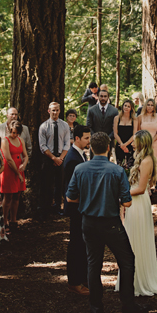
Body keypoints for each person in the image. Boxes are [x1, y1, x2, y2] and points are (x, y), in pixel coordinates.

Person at [66, 133, 147, 313]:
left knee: (93, 264)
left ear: (91, 148)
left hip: (88, 223)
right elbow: (127, 203)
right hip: (110, 223)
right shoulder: (117, 171)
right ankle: (127, 306)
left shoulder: (80, 169)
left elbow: (70, 198)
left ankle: (96, 308)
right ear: (109, 148)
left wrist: (86, 200)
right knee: (127, 261)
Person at [116, 130, 157, 297]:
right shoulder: (140, 158)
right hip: (133, 201)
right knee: (131, 238)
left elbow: (141, 188)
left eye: (134, 141)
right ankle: (131, 280)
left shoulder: (146, 161)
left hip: (138, 202)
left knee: (136, 239)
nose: (131, 143)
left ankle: (140, 281)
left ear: (142, 143)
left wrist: (121, 194)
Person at [62, 125, 91, 295]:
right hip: (76, 207)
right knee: (76, 245)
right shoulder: (73, 158)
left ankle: (83, 277)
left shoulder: (80, 154)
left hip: (82, 206)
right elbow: (75, 188)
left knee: (82, 243)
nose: (89, 141)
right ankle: (74, 282)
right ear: (77, 138)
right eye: (86, 138)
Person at [38, 101, 70, 220]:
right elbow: (43, 146)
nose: (55, 112)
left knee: (60, 184)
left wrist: (60, 158)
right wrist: (53, 158)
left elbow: (67, 144)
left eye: (57, 110)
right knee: (46, 184)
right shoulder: (44, 126)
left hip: (61, 158)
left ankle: (57, 208)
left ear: (60, 111)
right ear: (49, 111)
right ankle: (45, 209)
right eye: (53, 110)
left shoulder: (64, 125)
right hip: (48, 158)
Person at [0, 120, 29, 232]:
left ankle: (13, 220)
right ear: (9, 130)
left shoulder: (20, 140)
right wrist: (18, 174)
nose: (15, 135)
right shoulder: (5, 140)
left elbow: (25, 155)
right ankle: (4, 221)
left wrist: (24, 164)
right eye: (13, 132)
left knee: (17, 195)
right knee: (8, 197)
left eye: (17, 133)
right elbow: (8, 159)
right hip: (9, 170)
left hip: (19, 168)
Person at [113, 99, 137, 169]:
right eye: (125, 105)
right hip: (119, 145)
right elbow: (115, 133)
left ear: (131, 108)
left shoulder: (134, 119)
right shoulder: (117, 118)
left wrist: (126, 145)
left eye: (128, 106)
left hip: (130, 145)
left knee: (130, 166)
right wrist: (122, 145)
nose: (126, 107)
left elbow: (134, 134)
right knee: (119, 166)